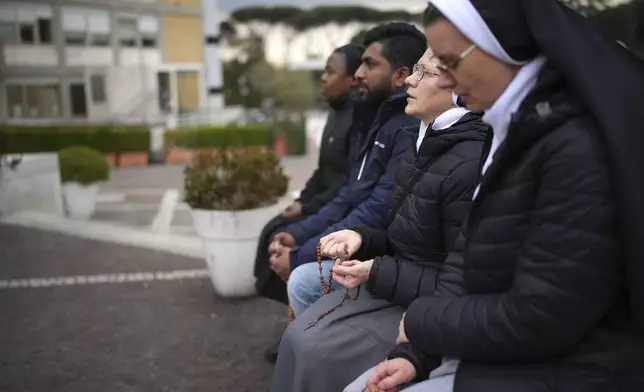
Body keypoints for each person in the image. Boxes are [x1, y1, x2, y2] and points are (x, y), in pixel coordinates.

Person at [346, 1, 644, 391]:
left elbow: (543, 315)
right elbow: (465, 261)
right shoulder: (510, 125)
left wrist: (422, 322)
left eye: (451, 62)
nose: (447, 82)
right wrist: (416, 352)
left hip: (579, 368)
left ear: (503, 47)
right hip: (512, 348)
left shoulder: (575, 145)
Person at [270, 45, 490, 391]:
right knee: (298, 336)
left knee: (312, 347)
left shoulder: (465, 163)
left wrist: (375, 269)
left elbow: (459, 278)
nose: (411, 82)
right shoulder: (420, 141)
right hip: (398, 283)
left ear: (460, 91)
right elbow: (404, 231)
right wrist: (361, 238)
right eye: (413, 70)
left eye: (426, 73)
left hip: (422, 303)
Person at [268, 22, 425, 300]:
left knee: (303, 280)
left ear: (401, 75)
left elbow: (377, 209)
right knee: (278, 235)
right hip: (360, 239)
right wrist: (299, 235)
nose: (359, 74)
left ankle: (311, 339)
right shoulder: (377, 119)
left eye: (370, 64)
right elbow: (349, 195)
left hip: (384, 254)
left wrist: (299, 256)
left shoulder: (407, 127)